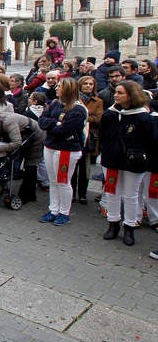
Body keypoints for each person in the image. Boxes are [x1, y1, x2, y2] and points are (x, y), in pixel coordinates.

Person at [99, 81, 155, 246]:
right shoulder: (111, 114)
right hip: (112, 160)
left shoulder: (142, 116)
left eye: (120, 93)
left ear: (131, 95)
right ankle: (113, 223)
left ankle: (129, 226)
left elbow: (151, 140)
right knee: (112, 193)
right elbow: (103, 135)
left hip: (133, 162)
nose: (116, 96)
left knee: (131, 195)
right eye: (116, 92)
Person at [37, 78, 88, 226]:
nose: (57, 88)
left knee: (63, 181)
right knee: (53, 180)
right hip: (50, 146)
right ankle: (53, 210)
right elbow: (42, 121)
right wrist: (55, 123)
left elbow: (65, 130)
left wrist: (54, 125)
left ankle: (64, 212)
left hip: (66, 150)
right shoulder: (54, 104)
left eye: (60, 86)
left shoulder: (78, 109)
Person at [0, 113, 45, 204]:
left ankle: (28, 195)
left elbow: (16, 143)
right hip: (24, 134)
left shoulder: (8, 123)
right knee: (9, 159)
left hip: (35, 136)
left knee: (30, 165)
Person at [74, 76, 103, 205]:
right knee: (72, 168)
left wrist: (83, 117)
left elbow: (98, 118)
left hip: (89, 138)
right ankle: (72, 192)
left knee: (85, 169)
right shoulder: (74, 99)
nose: (88, 86)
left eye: (91, 84)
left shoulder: (97, 101)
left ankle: (82, 194)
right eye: (85, 83)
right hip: (75, 137)